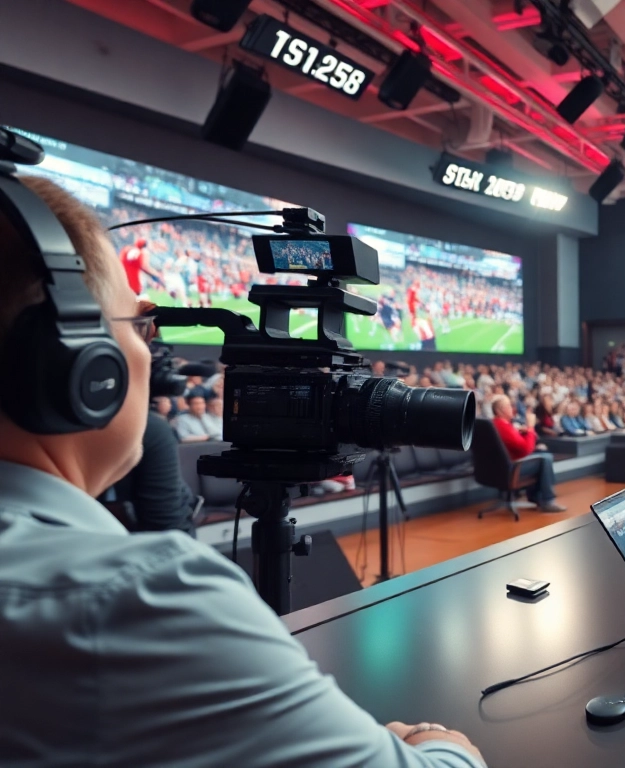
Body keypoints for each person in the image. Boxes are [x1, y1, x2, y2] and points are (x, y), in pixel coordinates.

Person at [0, 175, 485, 766]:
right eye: (140, 325)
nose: (154, 355)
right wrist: (438, 744)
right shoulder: (140, 599)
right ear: (80, 366)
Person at [490, 395, 566, 512]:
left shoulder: (495, 424)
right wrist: (530, 427)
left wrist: (524, 432)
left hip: (501, 466)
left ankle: (536, 497)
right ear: (500, 410)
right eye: (510, 405)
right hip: (512, 468)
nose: (513, 408)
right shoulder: (503, 426)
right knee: (546, 459)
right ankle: (547, 501)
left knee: (541, 452)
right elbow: (526, 450)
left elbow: (517, 443)